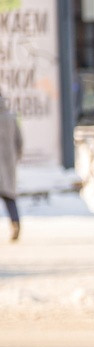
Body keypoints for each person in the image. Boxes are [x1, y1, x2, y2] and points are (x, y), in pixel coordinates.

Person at [0, 91, 23, 242]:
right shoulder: (11, 117)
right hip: (8, 163)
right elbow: (19, 141)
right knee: (9, 196)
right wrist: (16, 157)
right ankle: (15, 222)